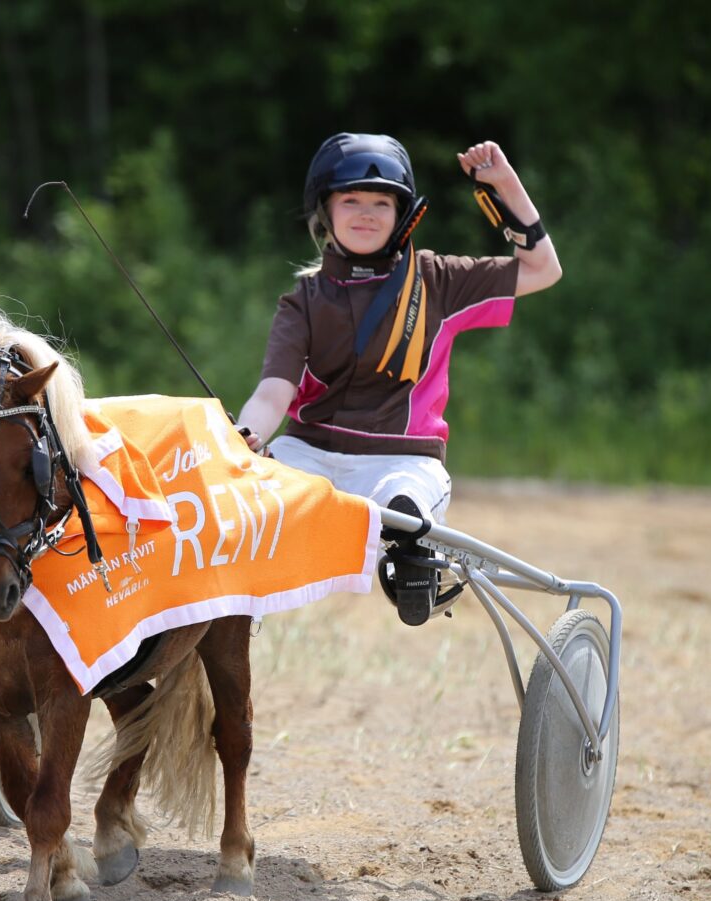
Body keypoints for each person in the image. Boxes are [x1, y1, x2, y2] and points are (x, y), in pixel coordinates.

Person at [236, 132, 562, 626]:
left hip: (402, 460)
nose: (366, 213)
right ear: (325, 210)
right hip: (309, 455)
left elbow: (543, 269)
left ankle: (415, 564)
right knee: (244, 497)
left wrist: (505, 186)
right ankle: (224, 616)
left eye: (381, 203)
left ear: (403, 214)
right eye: (351, 200)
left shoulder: (439, 279)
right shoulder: (303, 300)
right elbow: (272, 392)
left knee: (404, 504)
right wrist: (246, 436)